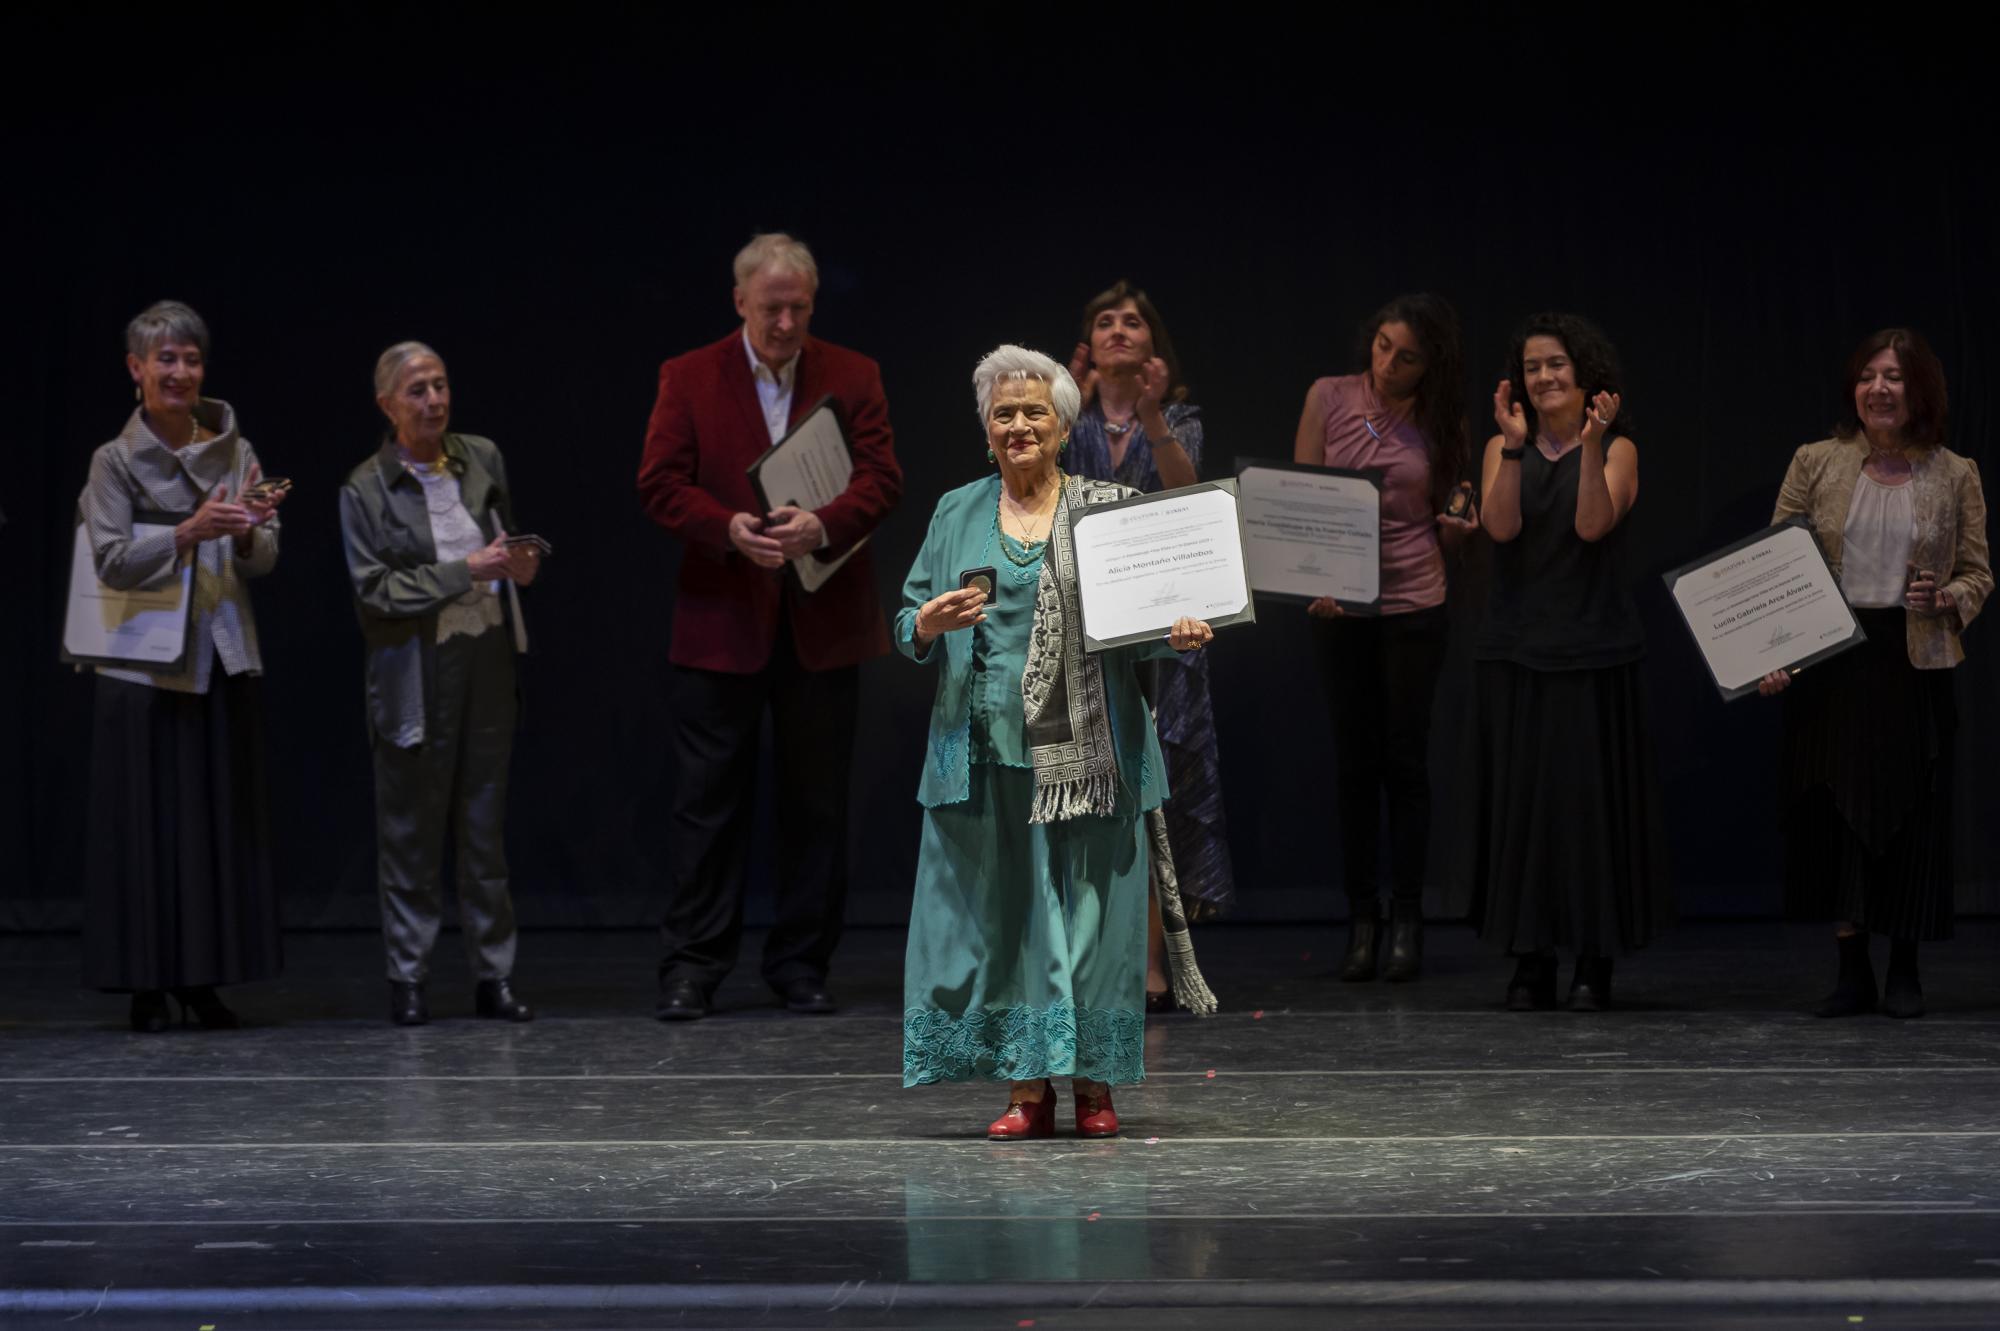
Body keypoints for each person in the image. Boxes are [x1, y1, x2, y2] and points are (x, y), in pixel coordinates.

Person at [898, 344, 1215, 1139]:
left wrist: (1178, 633)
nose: (1018, 425)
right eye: (1003, 413)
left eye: (1034, 410)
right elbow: (907, 620)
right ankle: (1026, 1086)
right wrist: (924, 624)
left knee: (1094, 926)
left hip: (1093, 755)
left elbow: (1144, 627)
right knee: (1006, 926)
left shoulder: (1108, 510)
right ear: (986, 430)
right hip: (983, 754)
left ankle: (1095, 1086)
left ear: (1063, 424)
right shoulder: (955, 511)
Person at [637, 232, 902, 1020]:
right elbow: (658, 484)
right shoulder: (687, 376)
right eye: (771, 307)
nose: (786, 323)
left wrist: (821, 525)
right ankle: (692, 967)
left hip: (823, 620)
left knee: (816, 805)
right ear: (740, 302)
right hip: (722, 620)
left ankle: (800, 965)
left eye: (799, 307)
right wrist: (729, 529)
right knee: (706, 805)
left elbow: (884, 479)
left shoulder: (853, 374)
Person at [1758, 328, 1990, 1018]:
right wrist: (1768, 655)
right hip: (1831, 660)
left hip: (1912, 661)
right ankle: (1851, 968)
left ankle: (1905, 969)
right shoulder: (1815, 461)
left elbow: (1979, 572)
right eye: (1867, 376)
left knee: (1911, 813)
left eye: (1893, 377)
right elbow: (1773, 567)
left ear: (1919, 390)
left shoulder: (1957, 472)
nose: (1878, 389)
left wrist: (1948, 597)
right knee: (1835, 814)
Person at [79, 299, 286, 1032]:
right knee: (146, 829)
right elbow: (109, 560)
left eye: (191, 359)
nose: (180, 372)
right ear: (136, 369)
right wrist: (189, 533)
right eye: (165, 359)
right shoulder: (113, 460)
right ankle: (146, 983)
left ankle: (201, 979)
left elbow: (265, 557)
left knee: (210, 829)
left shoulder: (233, 446)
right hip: (141, 666)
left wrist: (255, 530)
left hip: (219, 655)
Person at [1456, 312, 1670, 1011]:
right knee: (1527, 811)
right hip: (1517, 650)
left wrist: (1592, 443)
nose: (1543, 377)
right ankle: (1532, 956)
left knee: (1587, 813)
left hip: (1593, 652)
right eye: (1532, 366)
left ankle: (1592, 958)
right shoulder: (1500, 445)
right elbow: (1500, 527)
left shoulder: (1620, 449)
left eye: (1556, 365)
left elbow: (1590, 526)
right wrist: (1515, 450)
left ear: (1585, 375)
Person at [339, 342, 541, 1027]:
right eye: (418, 390)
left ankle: (495, 973)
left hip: (486, 656)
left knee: (484, 826)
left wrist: (519, 564)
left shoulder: (480, 456)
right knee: (411, 829)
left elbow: (505, 538)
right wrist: (466, 570)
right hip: (414, 671)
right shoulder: (364, 488)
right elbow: (374, 591)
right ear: (388, 404)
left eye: (441, 385)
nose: (434, 401)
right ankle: (410, 976)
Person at [1292, 294, 1477, 983]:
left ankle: (1407, 919)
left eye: (1406, 356)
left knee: (1406, 764)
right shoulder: (1328, 396)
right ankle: (1361, 918)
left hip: (1412, 600)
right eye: (1382, 346)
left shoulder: (1439, 415)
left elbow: (1455, 503)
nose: (1389, 362)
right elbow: (1300, 499)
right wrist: (1312, 574)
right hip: (1341, 607)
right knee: (1354, 766)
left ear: (1430, 364)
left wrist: (1460, 526)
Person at [1064, 280, 1233, 1009]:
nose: (1120, 331)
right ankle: (1080, 957)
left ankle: (1154, 963)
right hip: (1080, 623)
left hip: (1162, 625)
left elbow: (1187, 494)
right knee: (1083, 787)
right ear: (1088, 346)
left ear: (1153, 345)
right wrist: (1063, 399)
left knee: (1152, 793)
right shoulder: (1064, 418)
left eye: (1134, 322)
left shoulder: (1179, 417)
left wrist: (1156, 413)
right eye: (1106, 322)